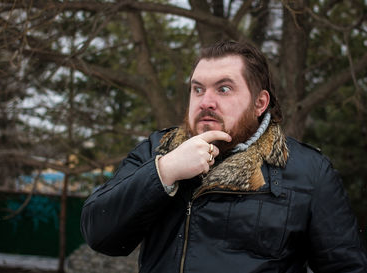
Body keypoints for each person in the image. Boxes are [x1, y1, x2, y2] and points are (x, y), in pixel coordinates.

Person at [80, 40, 367, 272]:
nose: (206, 102)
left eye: (224, 88)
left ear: (260, 103)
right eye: (198, 89)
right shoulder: (156, 151)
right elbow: (100, 235)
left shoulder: (308, 171)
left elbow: (346, 267)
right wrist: (163, 172)